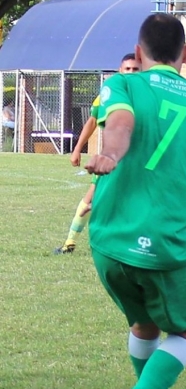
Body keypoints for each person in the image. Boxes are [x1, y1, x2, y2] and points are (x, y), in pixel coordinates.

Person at [88, 13, 186, 389]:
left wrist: (110, 153)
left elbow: (121, 122)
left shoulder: (122, 83)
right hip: (163, 243)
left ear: (139, 52)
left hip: (107, 239)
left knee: (144, 324)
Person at [54, 54, 140, 255]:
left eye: (136, 69)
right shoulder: (106, 95)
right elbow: (92, 121)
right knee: (89, 199)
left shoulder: (146, 95)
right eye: (128, 69)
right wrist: (77, 149)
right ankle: (70, 242)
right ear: (120, 71)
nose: (132, 73)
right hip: (112, 158)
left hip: (139, 159)